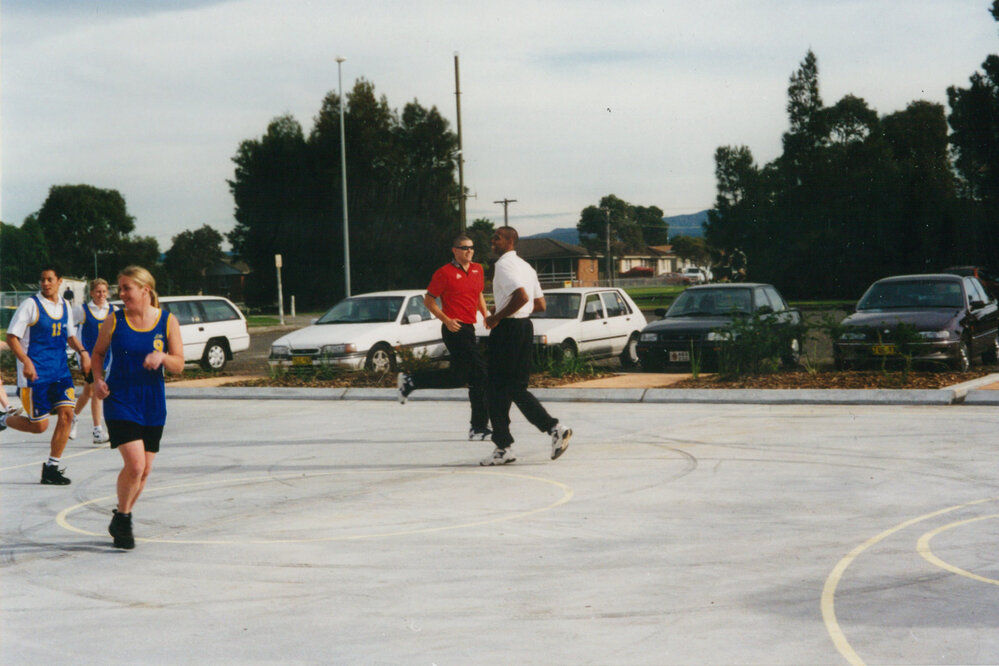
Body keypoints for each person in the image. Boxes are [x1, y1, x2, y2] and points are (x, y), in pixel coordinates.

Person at [92, 266, 184, 549]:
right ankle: (125, 520)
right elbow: (97, 353)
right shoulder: (114, 320)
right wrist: (97, 379)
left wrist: (163, 357)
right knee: (135, 464)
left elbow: (179, 364)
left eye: (126, 288)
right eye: (119, 288)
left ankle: (121, 516)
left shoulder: (167, 322)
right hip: (120, 400)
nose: (121, 294)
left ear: (145, 290)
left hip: (152, 403)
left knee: (144, 473)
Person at [480, 226, 571, 465]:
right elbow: (539, 304)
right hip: (523, 328)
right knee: (512, 389)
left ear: (510, 241)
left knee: (496, 388)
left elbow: (520, 297)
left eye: (497, 237)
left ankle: (550, 429)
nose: (493, 240)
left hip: (507, 330)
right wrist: (500, 309)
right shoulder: (527, 267)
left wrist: (496, 316)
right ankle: (506, 446)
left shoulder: (503, 265)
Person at [1, 267, 91, 484]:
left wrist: (83, 352)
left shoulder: (65, 306)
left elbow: (70, 335)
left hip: (60, 372)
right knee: (39, 426)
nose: (45, 283)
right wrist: (27, 361)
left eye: (50, 279)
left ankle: (52, 467)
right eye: (42, 280)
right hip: (35, 375)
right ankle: (3, 418)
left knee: (67, 415)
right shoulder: (30, 305)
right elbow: (12, 337)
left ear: (60, 281)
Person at [396, 234, 492, 439]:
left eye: (471, 247)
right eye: (464, 248)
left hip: (469, 327)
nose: (469, 251)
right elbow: (429, 301)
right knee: (480, 373)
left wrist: (486, 315)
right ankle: (478, 426)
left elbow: (479, 295)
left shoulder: (477, 269)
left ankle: (411, 380)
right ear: (454, 250)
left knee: (459, 376)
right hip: (454, 329)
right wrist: (446, 320)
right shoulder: (444, 273)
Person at [70, 278, 116, 445]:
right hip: (89, 357)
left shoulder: (113, 310)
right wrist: (80, 352)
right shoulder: (81, 310)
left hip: (107, 357)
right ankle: (97, 431)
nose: (101, 295)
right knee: (96, 389)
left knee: (88, 392)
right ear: (91, 293)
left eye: (104, 291)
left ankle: (72, 417)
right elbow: (69, 330)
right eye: (98, 291)